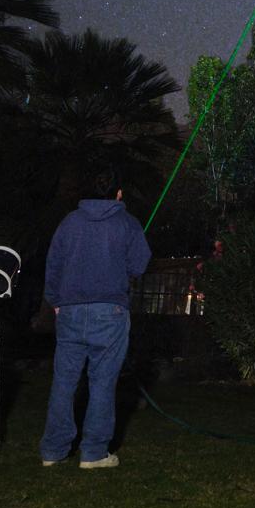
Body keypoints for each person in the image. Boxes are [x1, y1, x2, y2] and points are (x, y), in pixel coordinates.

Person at [39, 164, 151, 469]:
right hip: (110, 313)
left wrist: (55, 301)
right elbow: (139, 267)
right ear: (118, 193)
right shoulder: (127, 224)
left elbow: (53, 264)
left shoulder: (69, 222)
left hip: (70, 312)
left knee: (64, 382)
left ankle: (53, 451)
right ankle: (94, 453)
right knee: (102, 382)